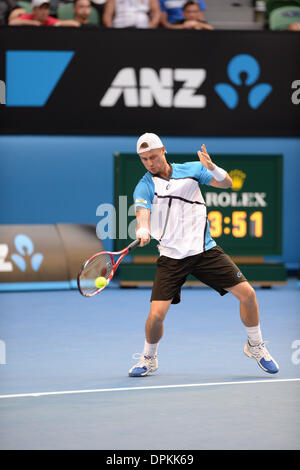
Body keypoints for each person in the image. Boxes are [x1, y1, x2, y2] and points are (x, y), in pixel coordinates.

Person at [129, 132, 279, 377]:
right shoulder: (145, 184)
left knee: (248, 295)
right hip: (171, 257)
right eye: (144, 159)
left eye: (153, 157)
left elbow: (227, 183)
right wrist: (143, 228)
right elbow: (141, 210)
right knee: (156, 316)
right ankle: (149, 357)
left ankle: (255, 345)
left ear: (163, 151)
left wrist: (213, 168)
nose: (149, 163)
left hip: (204, 250)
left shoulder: (192, 169)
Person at [9, 0, 80, 25]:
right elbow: (12, 22)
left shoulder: (49, 20)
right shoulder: (27, 18)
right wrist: (33, 23)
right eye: (41, 8)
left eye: (46, 8)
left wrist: (57, 24)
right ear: (34, 10)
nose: (44, 12)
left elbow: (75, 24)